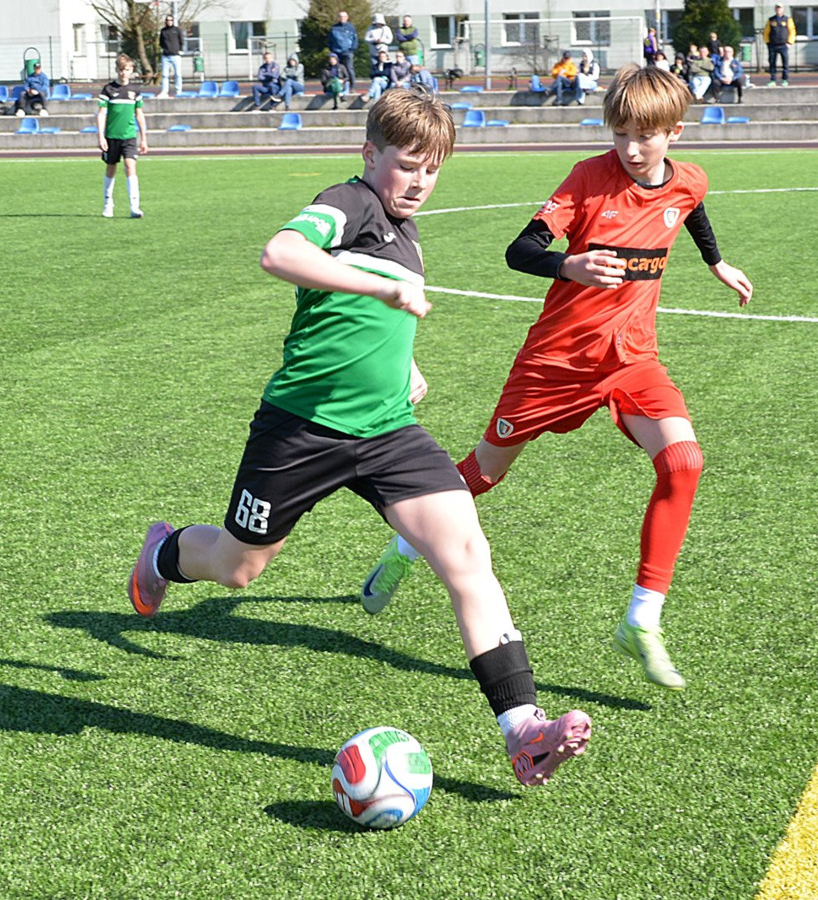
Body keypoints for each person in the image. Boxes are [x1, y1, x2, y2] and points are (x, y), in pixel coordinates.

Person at [127, 88, 592, 788]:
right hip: (300, 430)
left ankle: (523, 731)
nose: (420, 181)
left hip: (387, 432)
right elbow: (280, 253)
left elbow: (371, 325)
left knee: (467, 555)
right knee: (236, 567)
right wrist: (376, 290)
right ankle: (163, 554)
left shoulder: (407, 233)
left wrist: (405, 366)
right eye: (407, 164)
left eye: (432, 169)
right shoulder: (349, 203)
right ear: (370, 154)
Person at [359, 64, 754, 693]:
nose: (630, 149)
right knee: (483, 474)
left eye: (644, 136)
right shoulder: (588, 178)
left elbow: (691, 208)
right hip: (555, 362)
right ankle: (407, 547)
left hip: (631, 358)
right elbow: (520, 250)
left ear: (674, 133)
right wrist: (570, 265)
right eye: (620, 133)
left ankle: (641, 619)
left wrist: (717, 262)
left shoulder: (689, 180)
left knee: (683, 461)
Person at [97, 54, 148, 219]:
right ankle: (108, 203)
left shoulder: (135, 91)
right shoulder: (108, 90)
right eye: (120, 70)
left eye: (126, 69)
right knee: (111, 168)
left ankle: (134, 206)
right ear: (116, 70)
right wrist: (101, 137)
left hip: (129, 137)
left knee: (130, 166)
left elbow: (139, 114)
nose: (123, 73)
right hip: (112, 136)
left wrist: (144, 138)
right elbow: (101, 114)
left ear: (131, 70)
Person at [764, 4, 795, 86]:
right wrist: (768, 43)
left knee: (785, 63)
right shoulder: (771, 20)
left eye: (780, 8)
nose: (778, 9)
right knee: (772, 63)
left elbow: (792, 31)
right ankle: (773, 80)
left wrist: (789, 42)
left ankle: (785, 80)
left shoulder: (788, 19)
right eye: (777, 8)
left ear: (783, 9)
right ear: (775, 9)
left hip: (784, 45)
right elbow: (766, 32)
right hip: (773, 45)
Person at [327, 11, 358, 94]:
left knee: (349, 68)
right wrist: (332, 50)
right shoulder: (334, 28)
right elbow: (330, 40)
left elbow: (355, 40)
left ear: (347, 18)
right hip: (336, 52)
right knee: (336, 69)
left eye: (344, 17)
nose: (342, 18)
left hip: (348, 51)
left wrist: (352, 49)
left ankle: (353, 87)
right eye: (340, 17)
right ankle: (337, 86)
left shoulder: (351, 27)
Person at [158, 14, 185, 99]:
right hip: (165, 56)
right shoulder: (163, 31)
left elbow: (181, 41)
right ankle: (164, 91)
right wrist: (166, 49)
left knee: (178, 74)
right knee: (165, 75)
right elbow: (161, 42)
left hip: (176, 56)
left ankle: (178, 91)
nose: (169, 22)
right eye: (167, 20)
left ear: (173, 21)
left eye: (171, 20)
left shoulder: (177, 30)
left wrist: (180, 50)